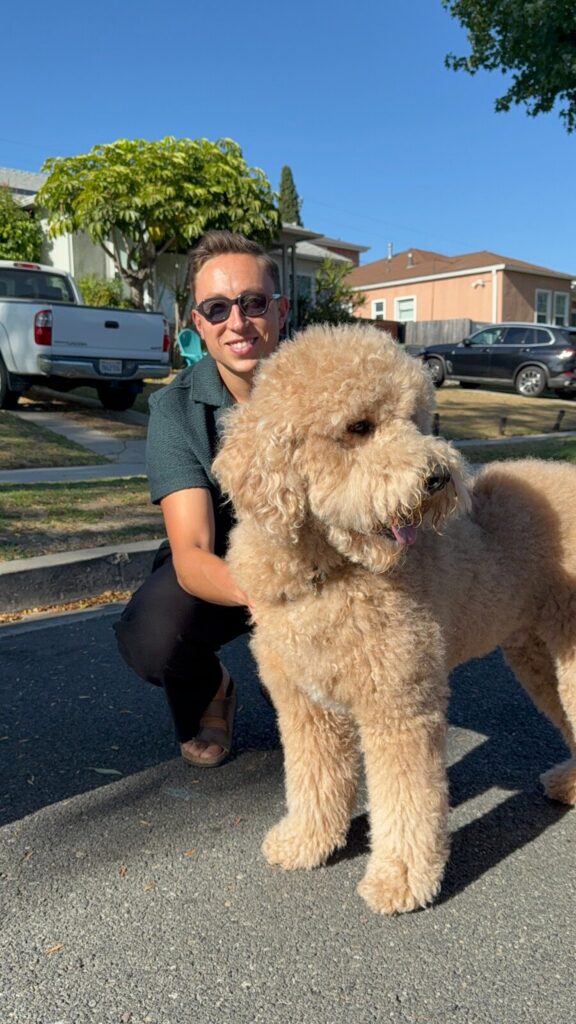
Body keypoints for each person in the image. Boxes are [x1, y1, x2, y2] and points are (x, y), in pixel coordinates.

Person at [114, 230, 289, 767]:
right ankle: (213, 686)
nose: (237, 322)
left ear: (280, 311)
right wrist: (269, 599)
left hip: (318, 556)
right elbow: (192, 552)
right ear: (199, 324)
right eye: (217, 308)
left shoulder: (328, 382)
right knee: (152, 639)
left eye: (253, 302)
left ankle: (304, 682)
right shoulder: (175, 409)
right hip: (227, 567)